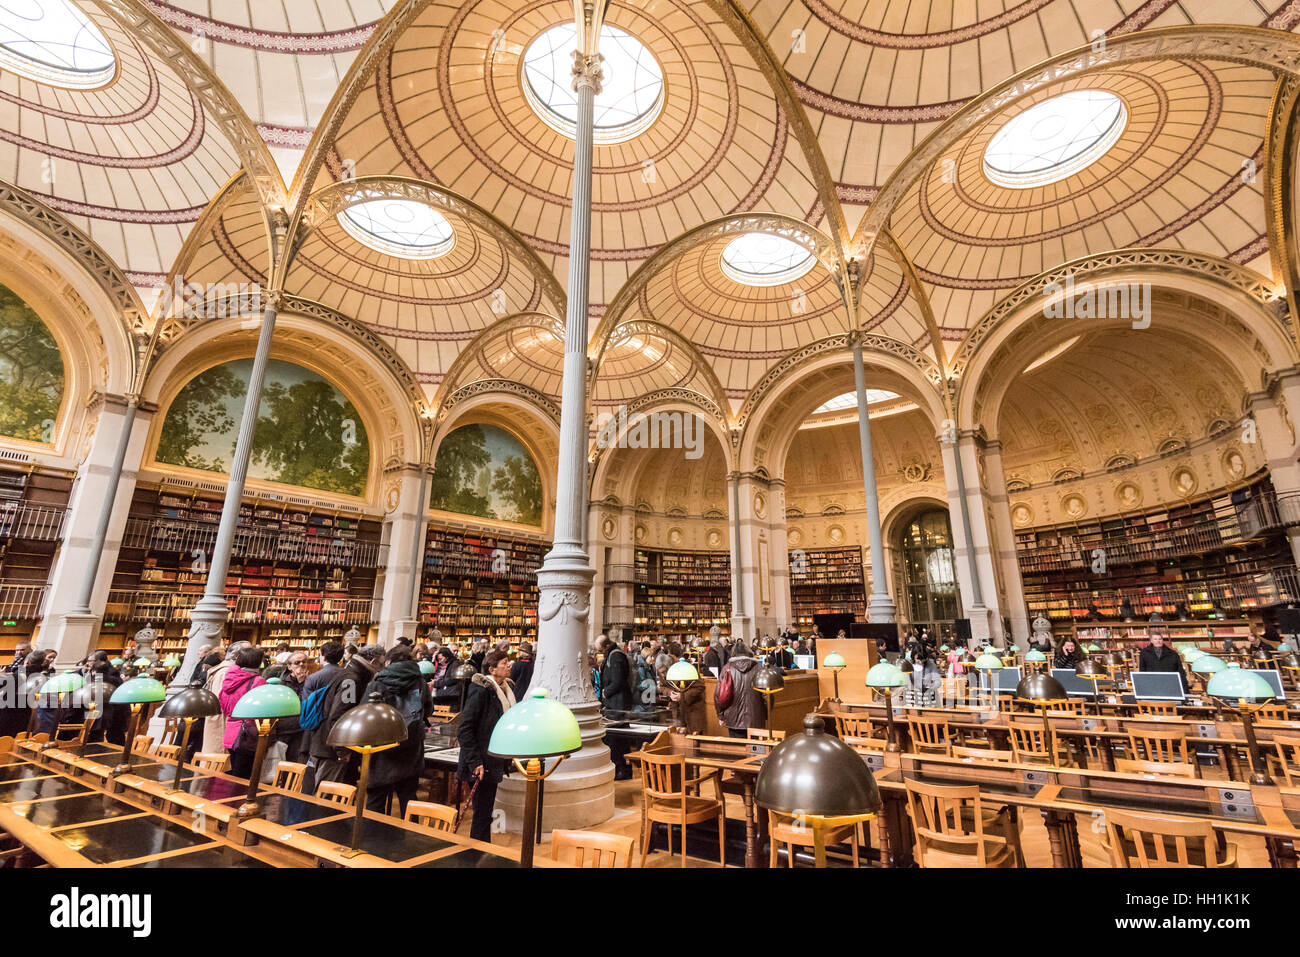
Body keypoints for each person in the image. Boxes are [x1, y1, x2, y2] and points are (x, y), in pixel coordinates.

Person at [306, 644, 385, 791]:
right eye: (381, 665)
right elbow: (339, 715)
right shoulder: (352, 679)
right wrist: (342, 749)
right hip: (331, 749)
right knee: (329, 796)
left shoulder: (349, 673)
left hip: (327, 744)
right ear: (373, 661)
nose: (380, 670)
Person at [366, 645, 432, 815]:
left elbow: (365, 713)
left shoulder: (377, 683)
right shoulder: (421, 682)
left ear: (389, 661)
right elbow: (429, 709)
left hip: (383, 747)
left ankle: (373, 836)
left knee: (376, 797)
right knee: (409, 798)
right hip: (410, 746)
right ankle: (410, 837)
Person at [457, 649, 516, 842]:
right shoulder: (481, 691)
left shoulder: (506, 690)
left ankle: (482, 849)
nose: (509, 665)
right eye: (504, 662)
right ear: (492, 669)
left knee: (485, 812)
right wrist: (475, 762)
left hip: (493, 760)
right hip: (481, 763)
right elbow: (465, 729)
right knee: (482, 814)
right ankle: (476, 852)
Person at [219, 646, 268, 778]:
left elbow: (223, 705)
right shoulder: (258, 681)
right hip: (247, 734)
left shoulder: (229, 678)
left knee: (235, 772)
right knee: (245, 777)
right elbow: (262, 708)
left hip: (231, 732)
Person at [200, 641, 250, 753]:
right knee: (218, 757)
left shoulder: (229, 670)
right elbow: (221, 701)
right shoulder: (226, 672)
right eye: (248, 652)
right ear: (237, 655)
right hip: (222, 721)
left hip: (223, 720)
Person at [714, 641, 763, 738]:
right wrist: (764, 714)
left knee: (737, 749)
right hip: (755, 719)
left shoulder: (727, 669)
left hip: (733, 718)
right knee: (756, 750)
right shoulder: (759, 668)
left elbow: (718, 695)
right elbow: (766, 695)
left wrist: (721, 716)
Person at [599, 637, 633, 715]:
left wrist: (606, 692)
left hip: (617, 702)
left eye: (601, 650)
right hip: (616, 701)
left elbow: (618, 681)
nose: (600, 653)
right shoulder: (615, 654)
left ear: (607, 646)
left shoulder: (615, 656)